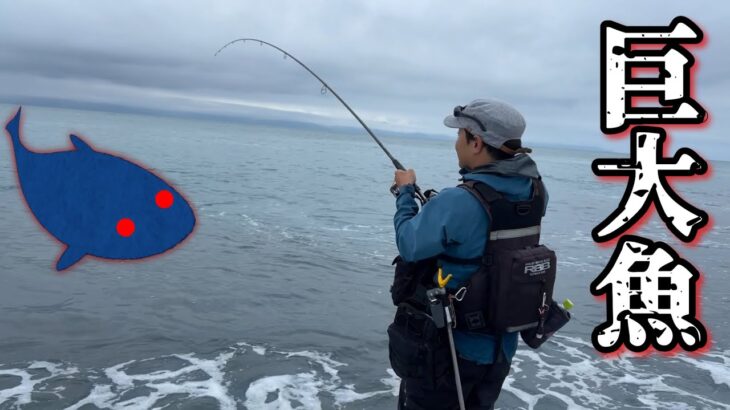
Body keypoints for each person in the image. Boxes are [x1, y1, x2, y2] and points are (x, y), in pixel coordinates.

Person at [392, 99, 548, 409]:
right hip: (501, 349)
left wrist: (405, 194)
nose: (456, 144)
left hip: (450, 351)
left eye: (459, 135)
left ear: (476, 142)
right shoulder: (536, 192)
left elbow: (410, 244)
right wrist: (439, 206)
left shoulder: (459, 202)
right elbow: (488, 235)